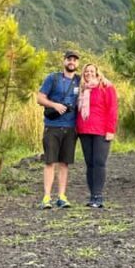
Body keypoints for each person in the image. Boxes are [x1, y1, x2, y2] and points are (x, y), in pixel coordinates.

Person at [36, 50, 81, 209]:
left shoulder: (79, 81)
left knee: (64, 163)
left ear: (77, 63)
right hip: (52, 126)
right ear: (64, 61)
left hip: (70, 128)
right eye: (69, 59)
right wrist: (54, 105)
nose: (72, 62)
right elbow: (40, 98)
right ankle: (46, 197)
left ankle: (62, 196)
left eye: (75, 60)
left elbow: (98, 84)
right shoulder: (52, 78)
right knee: (50, 162)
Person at [76, 62, 118, 208]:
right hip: (84, 130)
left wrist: (110, 130)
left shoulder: (106, 87)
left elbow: (112, 109)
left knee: (99, 162)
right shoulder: (81, 89)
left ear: (97, 72)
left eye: (92, 71)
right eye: (86, 71)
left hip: (101, 130)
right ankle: (92, 195)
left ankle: (98, 196)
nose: (89, 74)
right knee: (90, 163)